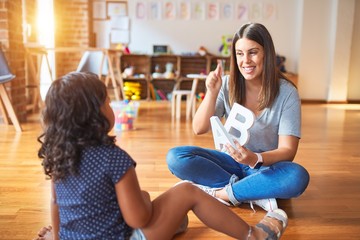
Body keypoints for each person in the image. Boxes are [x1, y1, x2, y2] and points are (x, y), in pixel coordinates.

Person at [34, 71, 288, 240]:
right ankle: (253, 235)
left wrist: (58, 236)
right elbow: (138, 218)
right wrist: (144, 198)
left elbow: (56, 205)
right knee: (187, 191)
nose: (112, 107)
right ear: (93, 115)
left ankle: (177, 222)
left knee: (175, 219)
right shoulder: (114, 159)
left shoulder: (59, 157)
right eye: (108, 102)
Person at [166, 22, 310, 211]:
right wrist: (211, 92)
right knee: (176, 157)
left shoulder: (287, 93)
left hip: (265, 167)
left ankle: (221, 194)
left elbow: (288, 151)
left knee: (297, 176)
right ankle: (251, 191)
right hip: (229, 163)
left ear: (266, 53)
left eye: (253, 52)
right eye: (240, 53)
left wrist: (254, 158)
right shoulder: (227, 84)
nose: (246, 61)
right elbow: (198, 128)